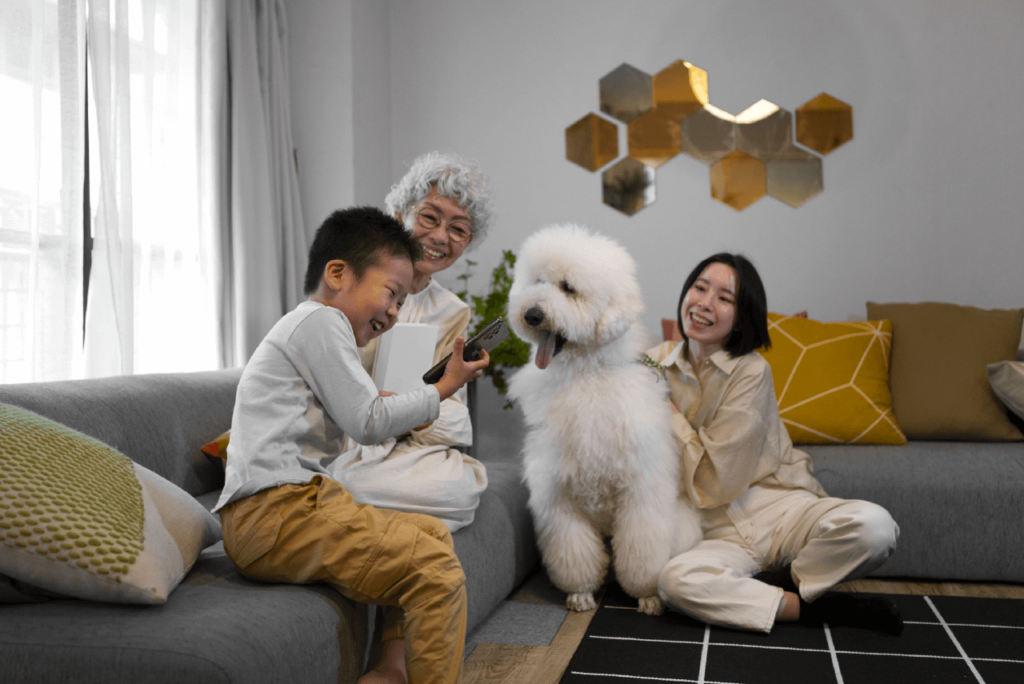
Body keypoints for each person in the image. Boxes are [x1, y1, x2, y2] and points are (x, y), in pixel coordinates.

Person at [213, 206, 489, 684]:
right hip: (275, 513)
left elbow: (358, 411)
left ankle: (392, 670)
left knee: (432, 535)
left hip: (297, 506)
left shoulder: (314, 329)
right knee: (436, 570)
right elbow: (367, 422)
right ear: (338, 273)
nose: (394, 312)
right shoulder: (321, 324)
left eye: (402, 302)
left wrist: (383, 401)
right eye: (391, 293)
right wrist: (443, 388)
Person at [648, 253, 902, 635]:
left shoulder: (751, 370)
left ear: (742, 315)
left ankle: (782, 587)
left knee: (876, 527)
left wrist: (666, 411)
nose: (704, 303)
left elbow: (717, 481)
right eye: (700, 288)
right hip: (710, 529)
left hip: (776, 507)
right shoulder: (651, 365)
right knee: (675, 582)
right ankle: (813, 608)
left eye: (724, 298)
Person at [329, 151, 494, 534]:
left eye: (458, 229)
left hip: (404, 453)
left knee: (458, 490)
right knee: (343, 474)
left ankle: (341, 509)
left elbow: (454, 421)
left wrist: (410, 412)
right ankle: (339, 497)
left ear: (468, 242)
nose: (439, 237)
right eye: (430, 217)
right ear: (401, 214)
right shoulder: (351, 283)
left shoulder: (453, 312)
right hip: (343, 442)